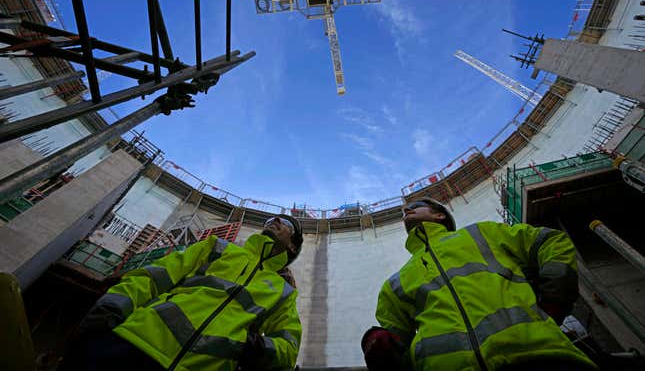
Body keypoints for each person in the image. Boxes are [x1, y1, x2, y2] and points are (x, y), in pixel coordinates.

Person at [361, 197, 597, 371]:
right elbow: (397, 347)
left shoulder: (482, 234)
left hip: (540, 357)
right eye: (405, 211)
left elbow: (550, 241)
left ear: (439, 215)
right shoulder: (395, 283)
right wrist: (377, 343)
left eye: (414, 207)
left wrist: (555, 301)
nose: (406, 211)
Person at [64, 215, 304, 371]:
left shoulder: (282, 291)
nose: (275, 222)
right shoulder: (219, 248)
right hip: (132, 344)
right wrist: (110, 308)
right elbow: (153, 278)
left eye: (286, 224)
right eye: (273, 218)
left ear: (292, 245)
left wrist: (253, 347)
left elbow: (289, 349)